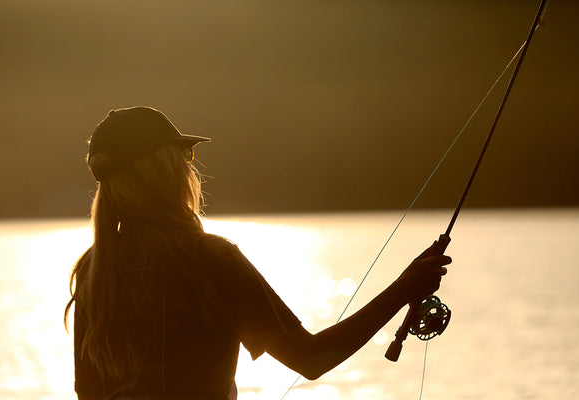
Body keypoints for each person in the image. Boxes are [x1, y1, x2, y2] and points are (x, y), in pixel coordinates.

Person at [64, 106, 452, 400]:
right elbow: (312, 359)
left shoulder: (93, 269)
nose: (189, 170)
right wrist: (404, 288)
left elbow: (87, 393)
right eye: (184, 158)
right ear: (162, 172)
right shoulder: (208, 258)